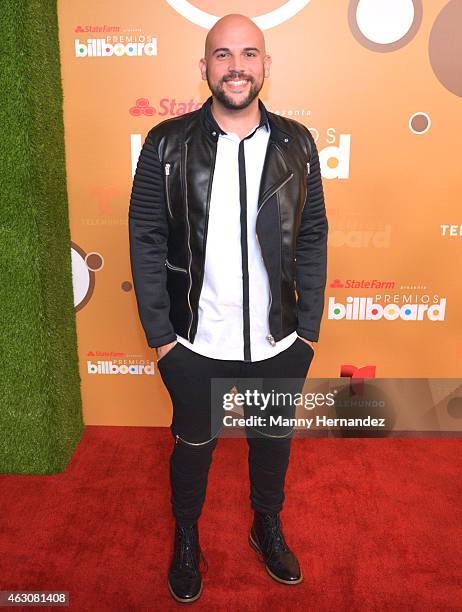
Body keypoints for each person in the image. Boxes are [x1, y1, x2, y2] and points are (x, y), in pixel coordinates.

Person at [128, 13, 328, 604]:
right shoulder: (166, 143)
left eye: (248, 54)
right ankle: (186, 538)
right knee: (193, 447)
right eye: (222, 55)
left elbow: (312, 233)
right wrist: (162, 336)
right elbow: (145, 236)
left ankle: (265, 524)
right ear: (204, 68)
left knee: (272, 443)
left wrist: (308, 329)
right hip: (193, 342)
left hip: (278, 341)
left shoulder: (297, 142)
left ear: (266, 65)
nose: (235, 66)